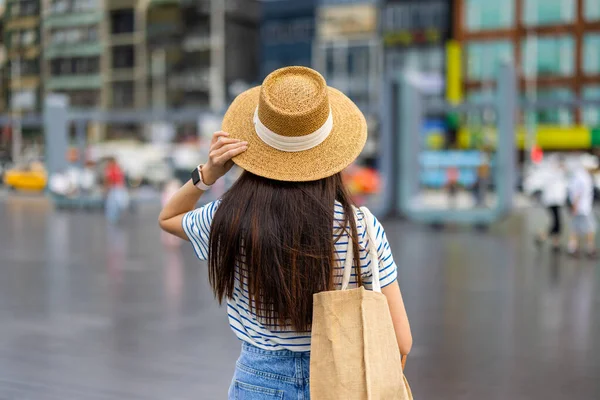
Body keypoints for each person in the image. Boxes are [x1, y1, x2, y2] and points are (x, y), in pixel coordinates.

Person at [158, 67, 412, 399]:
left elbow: (170, 216)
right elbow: (402, 341)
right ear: (329, 153)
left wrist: (208, 173)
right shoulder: (359, 227)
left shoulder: (227, 218)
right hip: (341, 381)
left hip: (256, 383)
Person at [535, 156, 567, 252]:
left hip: (556, 201)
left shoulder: (558, 173)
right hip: (552, 201)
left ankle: (553, 242)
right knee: (556, 222)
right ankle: (543, 237)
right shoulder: (550, 173)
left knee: (556, 223)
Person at [567, 161, 598, 258]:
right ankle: (590, 249)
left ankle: (572, 248)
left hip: (581, 207)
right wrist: (575, 206)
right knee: (591, 228)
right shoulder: (584, 178)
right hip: (583, 208)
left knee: (575, 228)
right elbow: (577, 193)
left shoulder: (579, 176)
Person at [104, 157, 129, 224]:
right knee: (113, 206)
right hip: (115, 188)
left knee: (119, 205)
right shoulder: (113, 169)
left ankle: (115, 219)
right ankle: (113, 220)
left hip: (117, 188)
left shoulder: (115, 169)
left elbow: (109, 180)